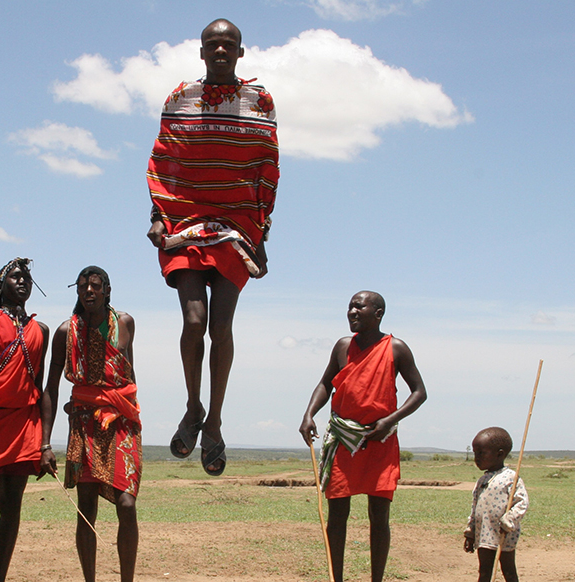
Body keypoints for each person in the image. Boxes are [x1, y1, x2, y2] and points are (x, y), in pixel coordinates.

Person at [146, 18, 278, 475]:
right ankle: (193, 407)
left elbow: (266, 165)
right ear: (201, 52)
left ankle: (216, 421)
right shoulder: (180, 98)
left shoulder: (258, 101)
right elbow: (164, 159)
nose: (220, 50)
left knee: (219, 327)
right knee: (193, 318)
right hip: (184, 219)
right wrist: (157, 217)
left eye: (229, 44)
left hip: (237, 226)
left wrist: (262, 232)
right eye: (212, 44)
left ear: (240, 52)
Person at [298, 291, 428, 582]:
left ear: (378, 313)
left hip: (379, 441)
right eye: (349, 307)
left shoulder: (396, 348)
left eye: (359, 306)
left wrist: (389, 420)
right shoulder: (343, 347)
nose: (352, 312)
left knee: (379, 517)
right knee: (337, 515)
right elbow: (325, 384)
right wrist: (309, 414)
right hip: (344, 440)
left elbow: (420, 392)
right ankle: (336, 578)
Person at [44, 266, 141, 582]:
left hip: (121, 421)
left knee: (126, 504)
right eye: (83, 287)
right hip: (84, 422)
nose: (88, 291)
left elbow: (129, 370)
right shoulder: (65, 332)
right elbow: (52, 387)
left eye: (95, 286)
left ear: (107, 290)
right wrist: (45, 441)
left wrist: (134, 413)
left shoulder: (124, 323)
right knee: (86, 508)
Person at [0, 258, 51, 582]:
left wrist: (45, 440)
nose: (22, 281)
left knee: (13, 505)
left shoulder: (40, 330)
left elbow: (40, 386)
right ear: (1, 284)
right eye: (15, 276)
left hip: (25, 425)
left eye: (27, 277)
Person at [464, 427, 527, 582]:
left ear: (500, 454)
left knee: (509, 571)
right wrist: (471, 532)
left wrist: (509, 519)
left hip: (504, 535)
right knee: (484, 572)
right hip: (484, 534)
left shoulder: (511, 478)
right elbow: (475, 507)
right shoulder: (482, 480)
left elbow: (521, 502)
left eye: (481, 453)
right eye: (475, 453)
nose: (476, 458)